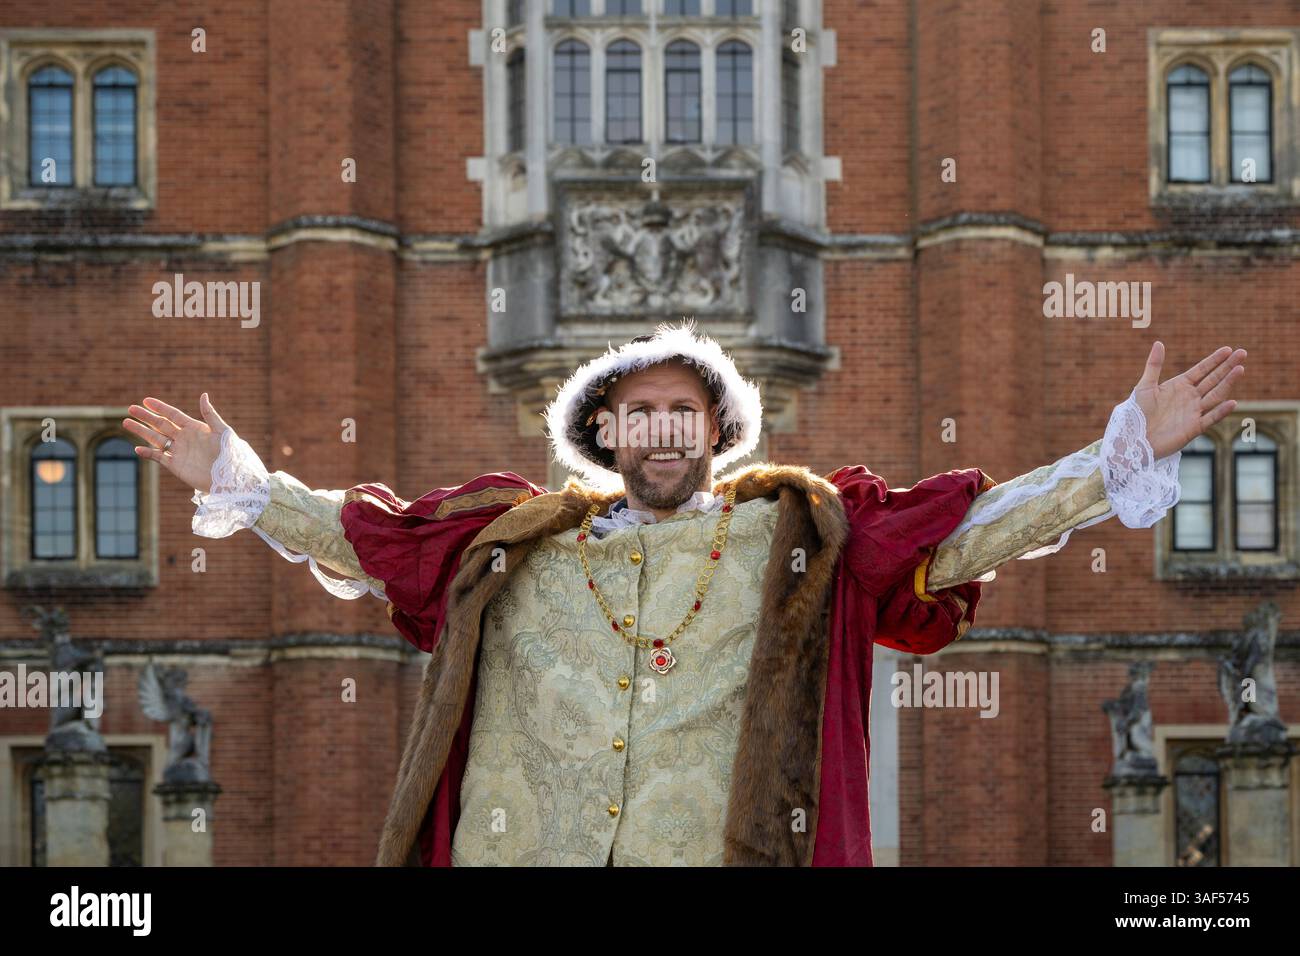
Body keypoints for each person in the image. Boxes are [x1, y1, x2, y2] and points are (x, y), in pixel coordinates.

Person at [124, 323, 1245, 866]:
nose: (659, 427)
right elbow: (367, 542)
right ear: (600, 432)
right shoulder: (511, 539)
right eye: (635, 411)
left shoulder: (798, 537)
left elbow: (967, 534)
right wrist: (243, 480)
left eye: (683, 410)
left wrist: (1112, 460)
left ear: (716, 429)